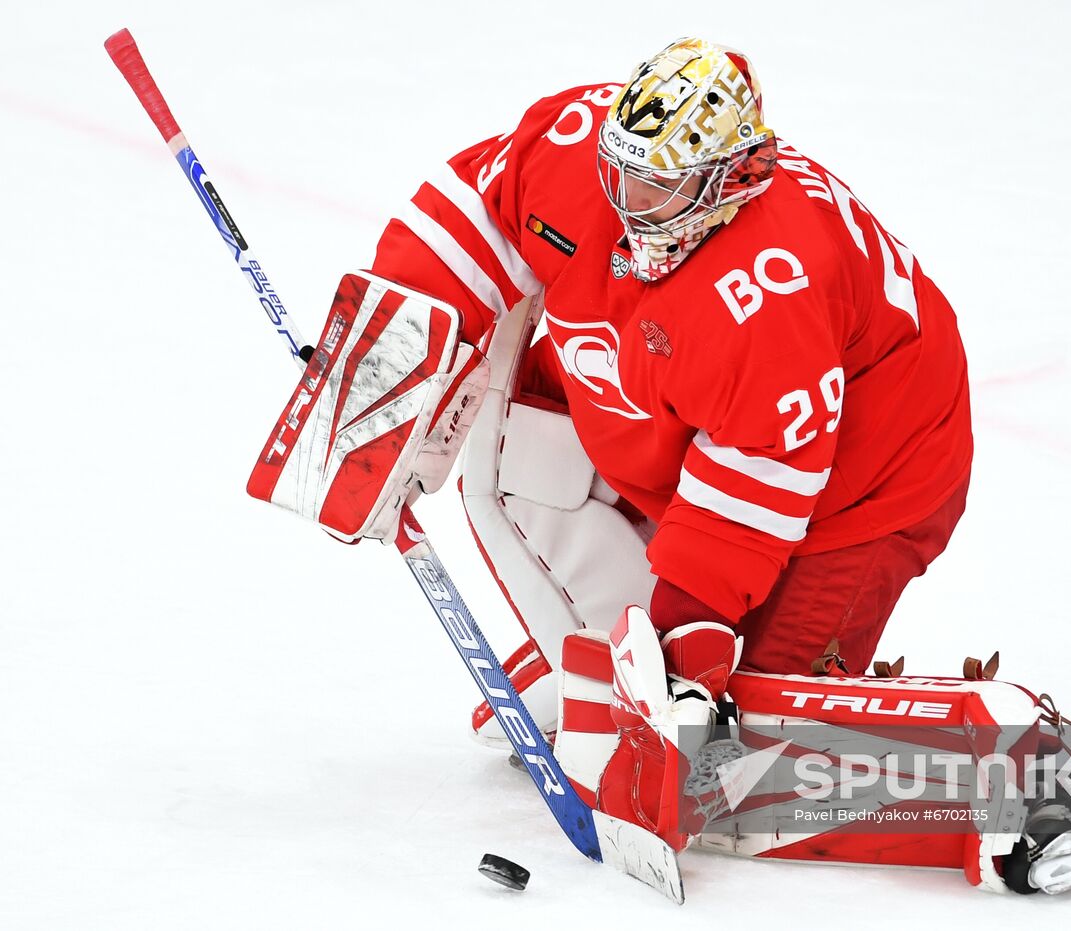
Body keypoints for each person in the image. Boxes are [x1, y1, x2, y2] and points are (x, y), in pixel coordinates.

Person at [266, 37, 972, 849]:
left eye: (657, 184)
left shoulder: (769, 291)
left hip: (868, 478)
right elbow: (466, 228)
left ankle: (992, 780)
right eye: (620, 169)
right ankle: (595, 659)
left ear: (727, 182)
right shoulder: (584, 143)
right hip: (677, 401)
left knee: (741, 762)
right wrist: (376, 390)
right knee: (528, 450)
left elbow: (751, 486)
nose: (625, 197)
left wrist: (680, 652)